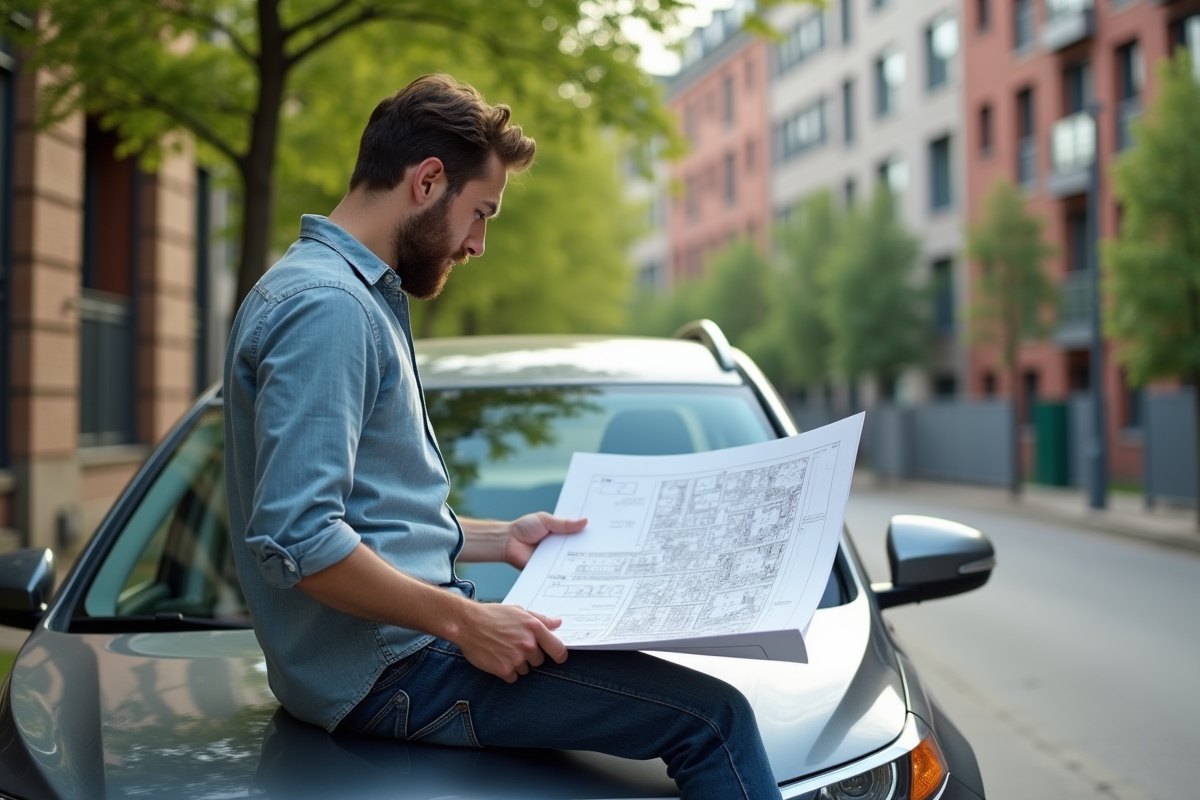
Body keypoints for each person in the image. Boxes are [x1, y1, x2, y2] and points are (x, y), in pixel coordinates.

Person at [224, 73, 781, 800]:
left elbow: (370, 512)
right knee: (715, 720)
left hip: (379, 663)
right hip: (393, 672)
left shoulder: (342, 293)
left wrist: (496, 538)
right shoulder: (328, 307)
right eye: (481, 213)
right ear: (427, 181)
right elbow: (299, 538)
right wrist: (467, 621)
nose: (479, 244)